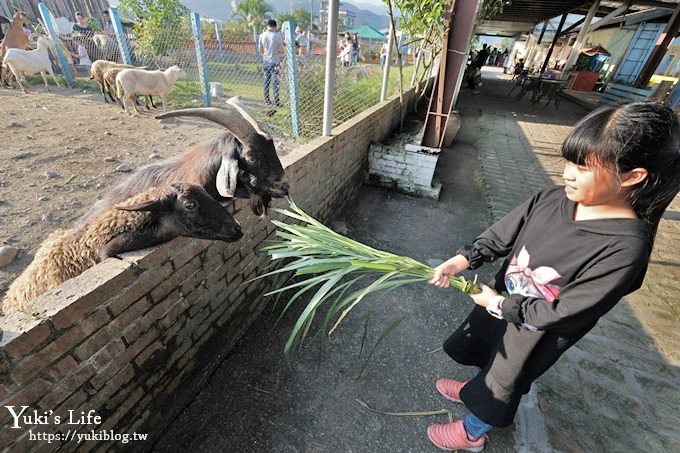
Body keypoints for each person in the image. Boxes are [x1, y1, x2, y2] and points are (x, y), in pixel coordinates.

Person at [426, 101, 680, 451]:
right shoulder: (552, 198)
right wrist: (464, 259)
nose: (568, 175)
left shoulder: (625, 249)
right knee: (488, 352)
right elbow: (503, 233)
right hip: (502, 305)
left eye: (583, 168)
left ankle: (472, 431)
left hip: (536, 331)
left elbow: (566, 310)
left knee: (505, 381)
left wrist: (500, 303)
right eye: (569, 163)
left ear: (633, 176)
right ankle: (475, 391)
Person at [258, 19, 282, 107]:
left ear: (267, 26)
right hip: (275, 61)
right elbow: (281, 49)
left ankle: (267, 100)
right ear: (275, 26)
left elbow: (260, 49)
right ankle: (277, 101)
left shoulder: (261, 35)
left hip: (266, 60)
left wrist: (265, 55)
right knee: (276, 82)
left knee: (266, 81)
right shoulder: (277, 36)